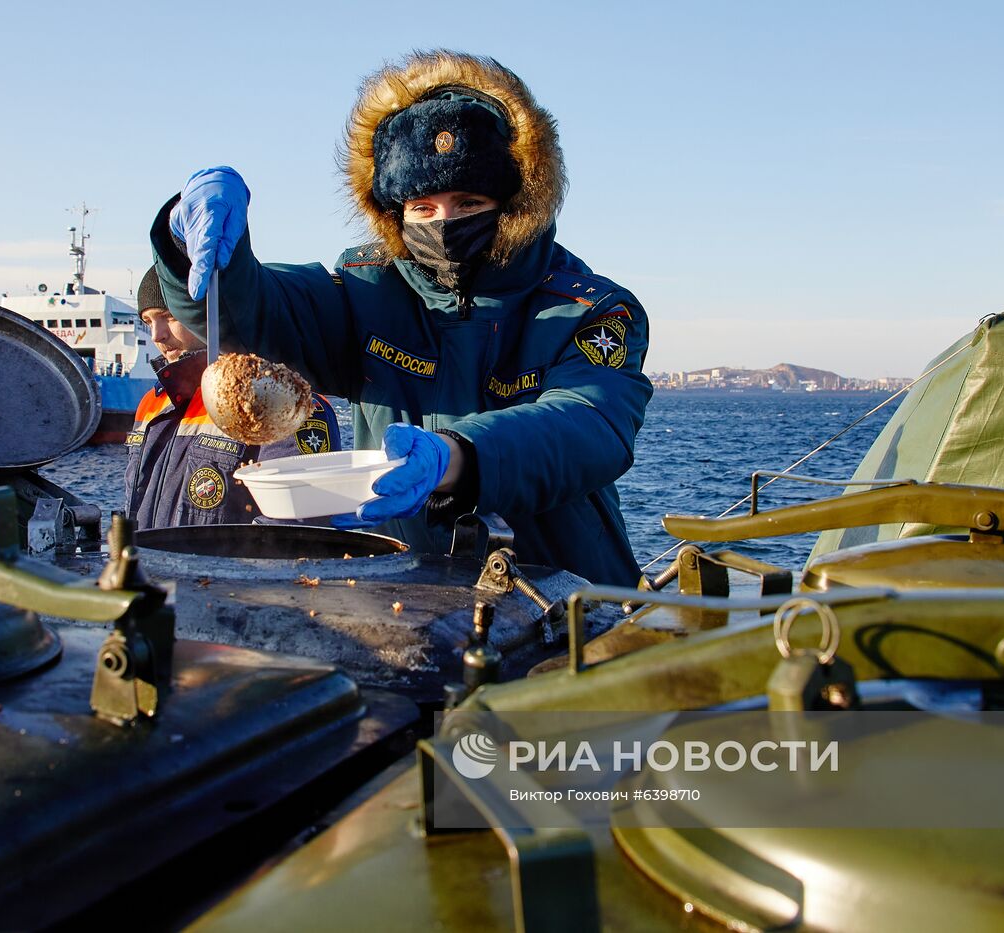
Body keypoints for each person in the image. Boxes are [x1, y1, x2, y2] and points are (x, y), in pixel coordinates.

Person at [152, 50, 651, 585]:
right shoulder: (367, 291)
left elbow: (589, 423)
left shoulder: (589, 308)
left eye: (469, 201)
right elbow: (258, 316)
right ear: (395, 213)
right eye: (422, 207)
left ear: (514, 203)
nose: (445, 223)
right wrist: (186, 244)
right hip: (408, 594)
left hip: (563, 591)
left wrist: (455, 457)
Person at [123, 265, 342, 530]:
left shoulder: (278, 402)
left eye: (168, 316)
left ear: (207, 313)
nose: (157, 335)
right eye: (148, 321)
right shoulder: (151, 403)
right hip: (147, 567)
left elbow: (294, 529)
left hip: (221, 570)